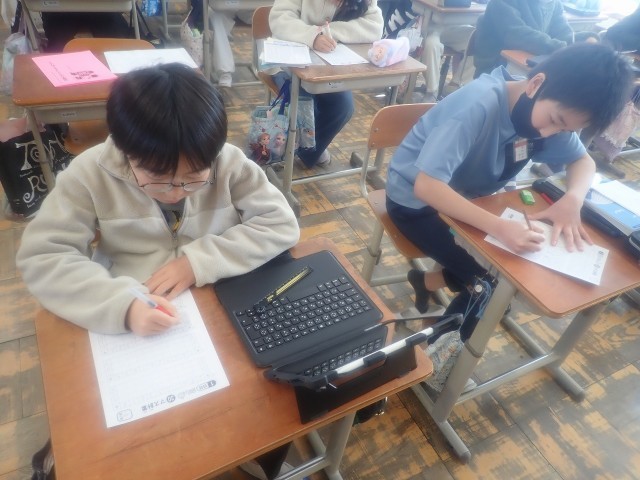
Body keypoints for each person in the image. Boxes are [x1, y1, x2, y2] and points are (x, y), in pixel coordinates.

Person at [16, 63, 299, 336]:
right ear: (125, 151)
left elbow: (280, 224)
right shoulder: (89, 174)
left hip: (222, 291)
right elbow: (44, 257)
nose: (175, 192)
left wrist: (198, 262)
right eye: (157, 178)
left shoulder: (229, 163)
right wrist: (123, 306)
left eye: (194, 177)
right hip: (137, 299)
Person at [385, 43, 634, 341]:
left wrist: (573, 199)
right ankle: (439, 354)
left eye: (565, 130)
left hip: (469, 199)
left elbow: (583, 161)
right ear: (536, 83)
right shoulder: (478, 104)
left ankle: (426, 282)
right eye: (556, 121)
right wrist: (499, 227)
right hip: (415, 203)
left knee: (509, 269)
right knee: (488, 288)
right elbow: (427, 186)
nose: (549, 134)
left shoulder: (551, 112)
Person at [268, 0, 384, 168]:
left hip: (329, 67)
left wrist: (330, 32)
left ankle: (308, 151)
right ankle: (288, 151)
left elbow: (375, 27)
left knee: (343, 107)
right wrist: (312, 36)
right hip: (287, 63)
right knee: (304, 106)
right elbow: (279, 18)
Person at [473, 0, 575, 77]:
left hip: (531, 64)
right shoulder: (503, 2)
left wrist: (572, 48)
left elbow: (564, 32)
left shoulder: (554, 4)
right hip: (496, 68)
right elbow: (516, 35)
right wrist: (560, 47)